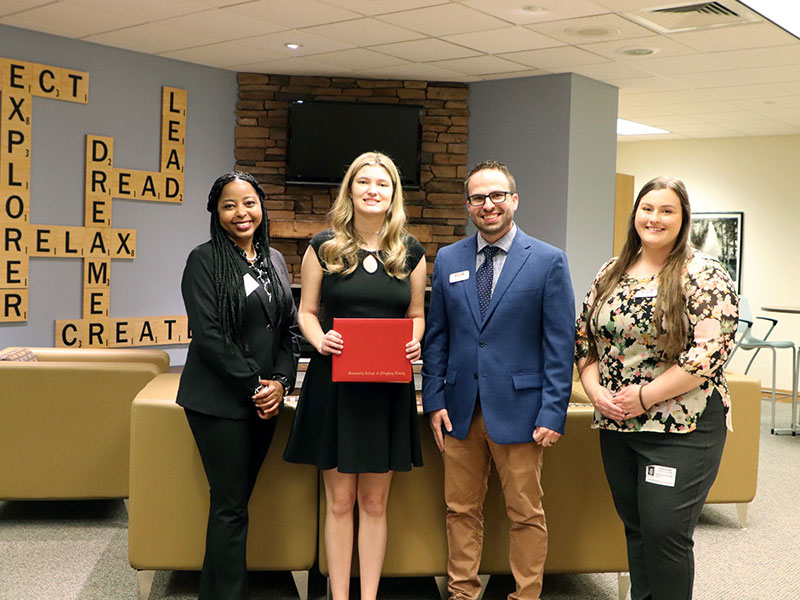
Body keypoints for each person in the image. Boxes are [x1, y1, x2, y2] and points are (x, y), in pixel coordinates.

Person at [575, 176, 738, 600]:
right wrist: (595, 393)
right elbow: (583, 341)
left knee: (665, 532)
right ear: (635, 215)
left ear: (683, 219)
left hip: (682, 427)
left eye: (667, 210)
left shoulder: (703, 274)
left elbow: (710, 352)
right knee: (637, 529)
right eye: (647, 208)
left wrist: (644, 396)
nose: (655, 218)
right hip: (617, 422)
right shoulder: (611, 272)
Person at [422, 160, 575, 600]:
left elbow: (560, 345)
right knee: (459, 510)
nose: (487, 205)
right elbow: (438, 337)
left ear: (514, 200)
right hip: (459, 410)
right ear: (468, 204)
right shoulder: (450, 258)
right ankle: (462, 592)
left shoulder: (548, 261)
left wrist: (553, 411)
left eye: (496, 196)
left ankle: (525, 594)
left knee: (525, 512)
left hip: (522, 412)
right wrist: (434, 399)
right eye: (477, 198)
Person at [283, 151, 426, 600]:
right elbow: (305, 312)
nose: (372, 190)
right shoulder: (323, 246)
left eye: (382, 184)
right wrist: (319, 338)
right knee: (340, 502)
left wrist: (414, 340)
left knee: (375, 503)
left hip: (386, 389)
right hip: (335, 385)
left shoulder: (411, 252)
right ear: (350, 189)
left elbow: (417, 315)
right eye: (363, 182)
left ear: (393, 195)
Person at [176, 171, 300, 600]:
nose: (241, 213)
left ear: (261, 207)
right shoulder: (204, 260)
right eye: (229, 205)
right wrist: (256, 384)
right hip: (218, 402)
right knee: (230, 506)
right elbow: (209, 336)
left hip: (264, 402)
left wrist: (282, 383)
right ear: (216, 213)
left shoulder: (276, 261)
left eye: (249, 203)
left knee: (233, 506)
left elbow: (289, 331)